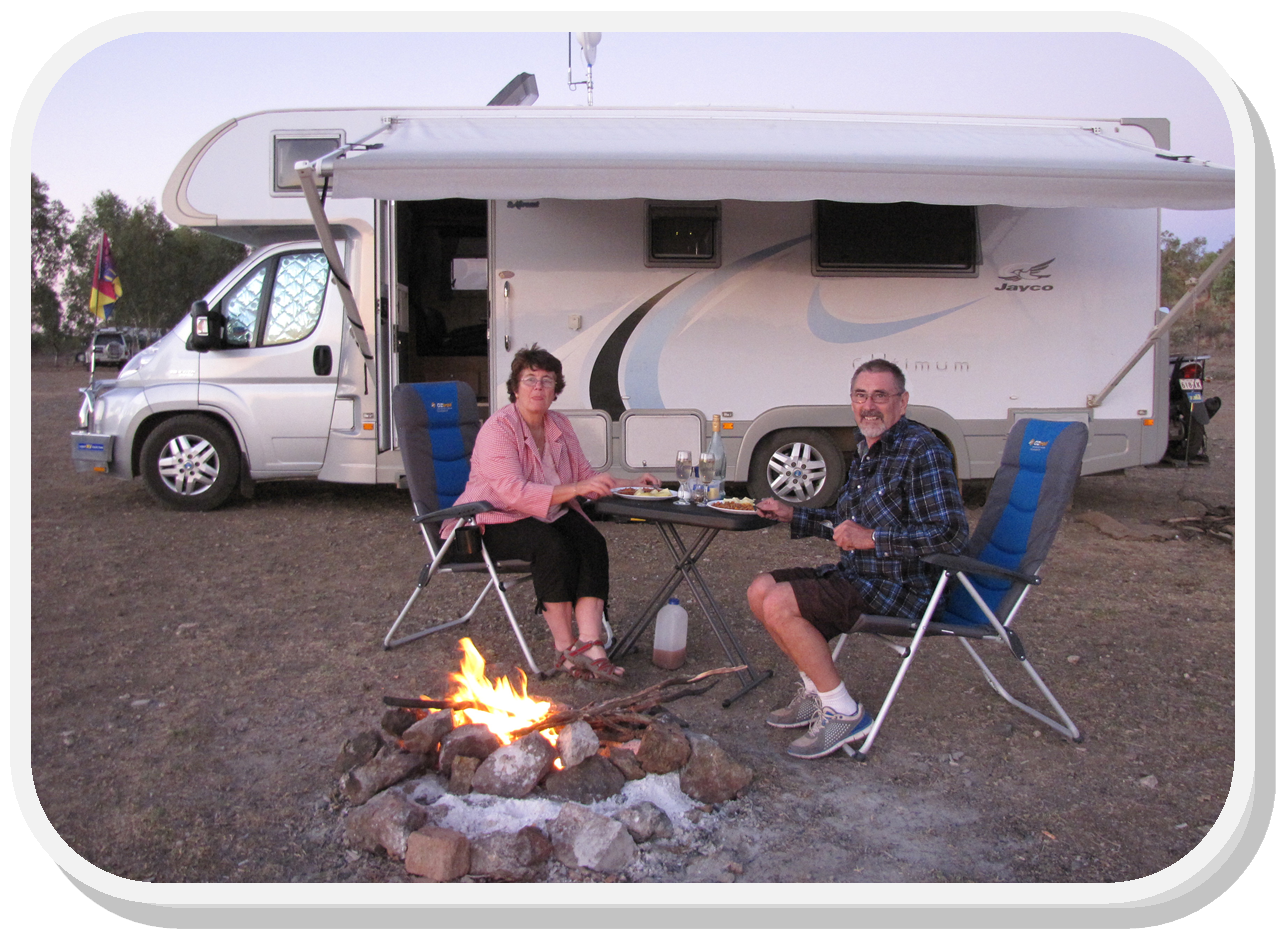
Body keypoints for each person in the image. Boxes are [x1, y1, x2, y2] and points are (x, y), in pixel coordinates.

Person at [748, 359, 968, 758]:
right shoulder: (868, 447)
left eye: (880, 396)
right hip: (859, 575)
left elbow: (950, 533)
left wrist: (873, 539)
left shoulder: (922, 450)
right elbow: (846, 524)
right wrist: (793, 514)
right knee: (760, 589)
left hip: (905, 586)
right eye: (861, 396)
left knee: (780, 603)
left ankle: (844, 713)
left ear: (902, 402)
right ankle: (818, 693)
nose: (869, 406)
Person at [446, 346, 661, 683]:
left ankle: (591, 643)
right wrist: (576, 488)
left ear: (555, 390)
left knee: (591, 542)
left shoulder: (558, 424)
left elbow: (586, 477)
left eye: (547, 380)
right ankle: (565, 649)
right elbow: (514, 493)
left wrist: (631, 483)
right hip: (491, 518)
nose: (538, 387)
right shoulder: (498, 429)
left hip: (547, 512)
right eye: (530, 379)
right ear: (515, 387)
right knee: (551, 547)